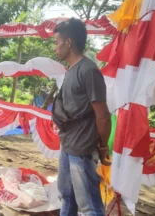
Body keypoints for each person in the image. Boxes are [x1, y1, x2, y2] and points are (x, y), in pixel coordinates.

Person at [52, 18, 111, 216]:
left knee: (90, 207)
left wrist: (102, 147)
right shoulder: (71, 71)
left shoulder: (88, 70)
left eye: (56, 42)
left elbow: (102, 116)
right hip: (68, 144)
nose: (55, 48)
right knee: (67, 196)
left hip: (82, 148)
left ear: (68, 42)